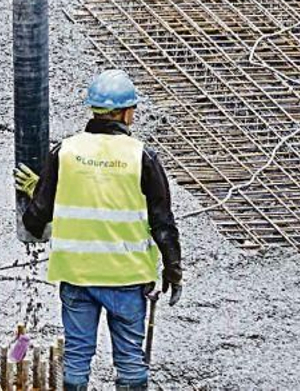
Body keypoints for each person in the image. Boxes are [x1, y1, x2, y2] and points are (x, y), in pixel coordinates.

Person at [14, 70, 182, 391]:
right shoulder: (142, 157)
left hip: (77, 277)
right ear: (127, 113)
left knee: (76, 361)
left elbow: (35, 220)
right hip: (127, 279)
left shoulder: (65, 152)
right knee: (131, 363)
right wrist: (173, 270)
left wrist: (40, 189)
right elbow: (163, 223)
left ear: (94, 110)